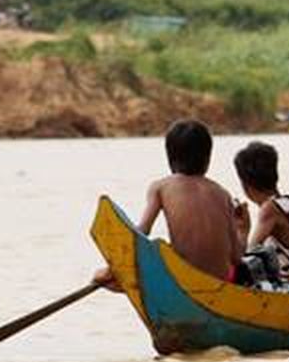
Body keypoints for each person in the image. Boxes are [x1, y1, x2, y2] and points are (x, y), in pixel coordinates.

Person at [93, 118, 245, 289]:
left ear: (170, 158)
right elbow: (237, 257)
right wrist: (243, 230)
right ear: (208, 158)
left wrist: (114, 267)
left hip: (185, 283)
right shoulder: (223, 193)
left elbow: (142, 233)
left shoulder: (161, 187)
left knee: (101, 277)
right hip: (221, 285)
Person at [231, 140, 289, 288]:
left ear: (245, 184)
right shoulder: (287, 202)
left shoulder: (270, 209)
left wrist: (243, 229)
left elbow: (249, 255)